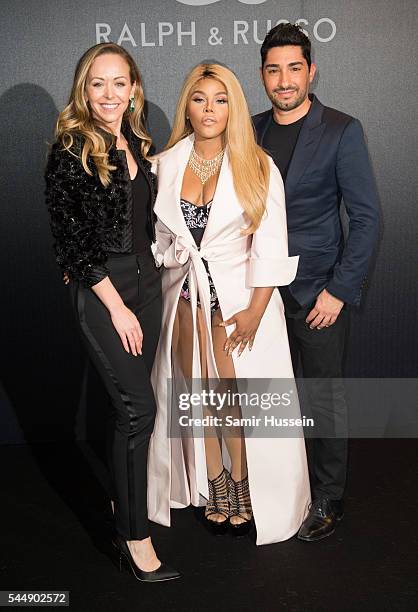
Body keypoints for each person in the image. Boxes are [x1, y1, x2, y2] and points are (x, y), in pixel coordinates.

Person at [147, 63, 310, 546]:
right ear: (187, 106)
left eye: (220, 99)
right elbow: (159, 238)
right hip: (183, 301)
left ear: (233, 106)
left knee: (232, 403)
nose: (209, 109)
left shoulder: (257, 164)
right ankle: (215, 483)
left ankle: (241, 483)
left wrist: (257, 311)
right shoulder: (168, 163)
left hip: (238, 304)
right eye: (200, 99)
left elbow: (271, 245)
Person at [44, 42, 179, 581]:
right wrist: (118, 309)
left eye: (118, 82)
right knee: (138, 411)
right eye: (97, 83)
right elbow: (74, 243)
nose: (108, 94)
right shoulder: (71, 148)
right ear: (84, 89)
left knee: (126, 413)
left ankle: (125, 507)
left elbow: (147, 224)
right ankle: (134, 538)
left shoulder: (136, 142)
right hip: (106, 295)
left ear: (133, 88)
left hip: (147, 288)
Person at [254, 23, 379, 541]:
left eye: (294, 68)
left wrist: (339, 290)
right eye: (273, 69)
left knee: (322, 400)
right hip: (259, 295)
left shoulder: (341, 129)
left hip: (317, 294)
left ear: (311, 70)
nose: (284, 80)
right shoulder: (250, 129)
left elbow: (367, 217)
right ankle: (272, 491)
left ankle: (328, 498)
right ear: (263, 74)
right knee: (267, 400)